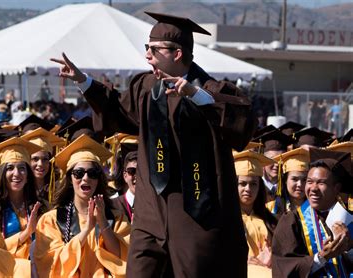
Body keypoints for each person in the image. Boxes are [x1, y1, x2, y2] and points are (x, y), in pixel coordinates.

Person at [51, 12, 257, 277]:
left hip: (196, 214)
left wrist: (196, 97)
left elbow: (243, 123)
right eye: (146, 48)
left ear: (177, 54)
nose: (147, 55)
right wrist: (84, 81)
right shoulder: (148, 88)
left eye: (154, 49)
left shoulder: (211, 91)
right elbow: (118, 110)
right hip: (150, 211)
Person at [33, 134, 131, 277]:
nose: (85, 178)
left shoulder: (116, 217)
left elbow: (124, 258)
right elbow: (50, 265)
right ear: (70, 179)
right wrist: (87, 230)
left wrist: (103, 223)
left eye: (92, 173)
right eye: (78, 173)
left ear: (99, 179)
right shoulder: (51, 220)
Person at [271, 148, 352, 277]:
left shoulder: (348, 220)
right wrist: (322, 257)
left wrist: (348, 248)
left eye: (321, 183)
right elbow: (284, 268)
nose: (313, 188)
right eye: (309, 182)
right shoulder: (291, 221)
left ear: (336, 188)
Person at [0, 137, 43, 277]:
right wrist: (25, 234)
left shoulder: (42, 207)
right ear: (1, 173)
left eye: (22, 168)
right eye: (10, 168)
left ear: (28, 175)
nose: (16, 174)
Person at [233, 150, 278, 277]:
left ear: (260, 187)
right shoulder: (224, 219)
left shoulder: (271, 220)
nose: (248, 189)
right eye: (242, 184)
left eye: (253, 184)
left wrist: (273, 259)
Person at [21, 127, 66, 209]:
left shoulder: (58, 187)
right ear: (27, 160)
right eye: (35, 159)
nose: (40, 164)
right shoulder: (22, 187)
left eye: (45, 159)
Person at [268, 147, 309, 215]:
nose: (300, 184)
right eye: (294, 179)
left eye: (304, 179)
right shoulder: (270, 209)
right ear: (285, 180)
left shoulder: (316, 210)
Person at [112, 151, 138, 222]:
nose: (137, 176)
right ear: (125, 176)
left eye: (141, 171)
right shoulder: (112, 206)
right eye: (132, 171)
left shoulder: (154, 205)